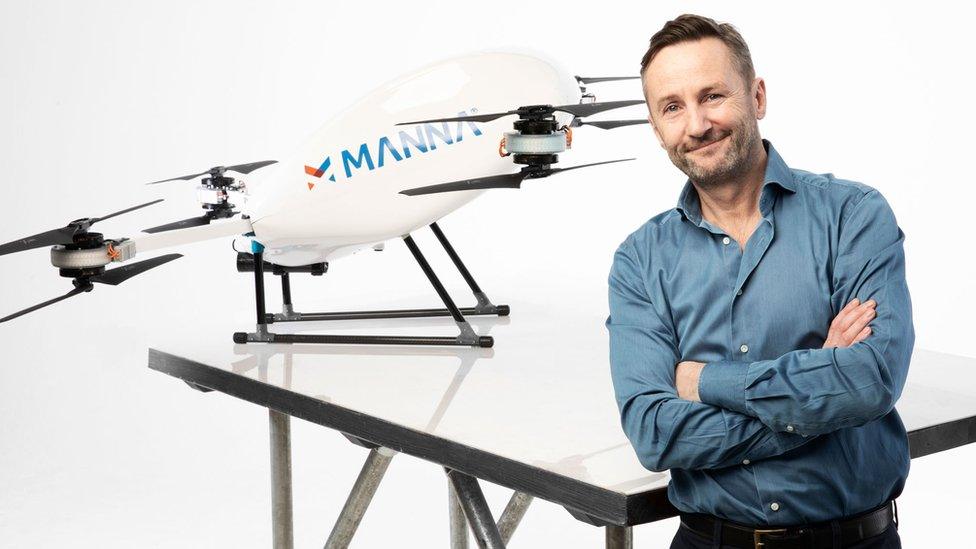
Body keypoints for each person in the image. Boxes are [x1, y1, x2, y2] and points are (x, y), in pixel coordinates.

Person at [605, 14, 914, 549]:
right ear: (657, 129)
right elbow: (654, 433)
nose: (697, 124)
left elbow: (869, 381)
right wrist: (817, 402)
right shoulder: (640, 261)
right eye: (673, 107)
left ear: (758, 97)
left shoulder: (854, 217)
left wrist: (704, 382)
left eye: (713, 96)